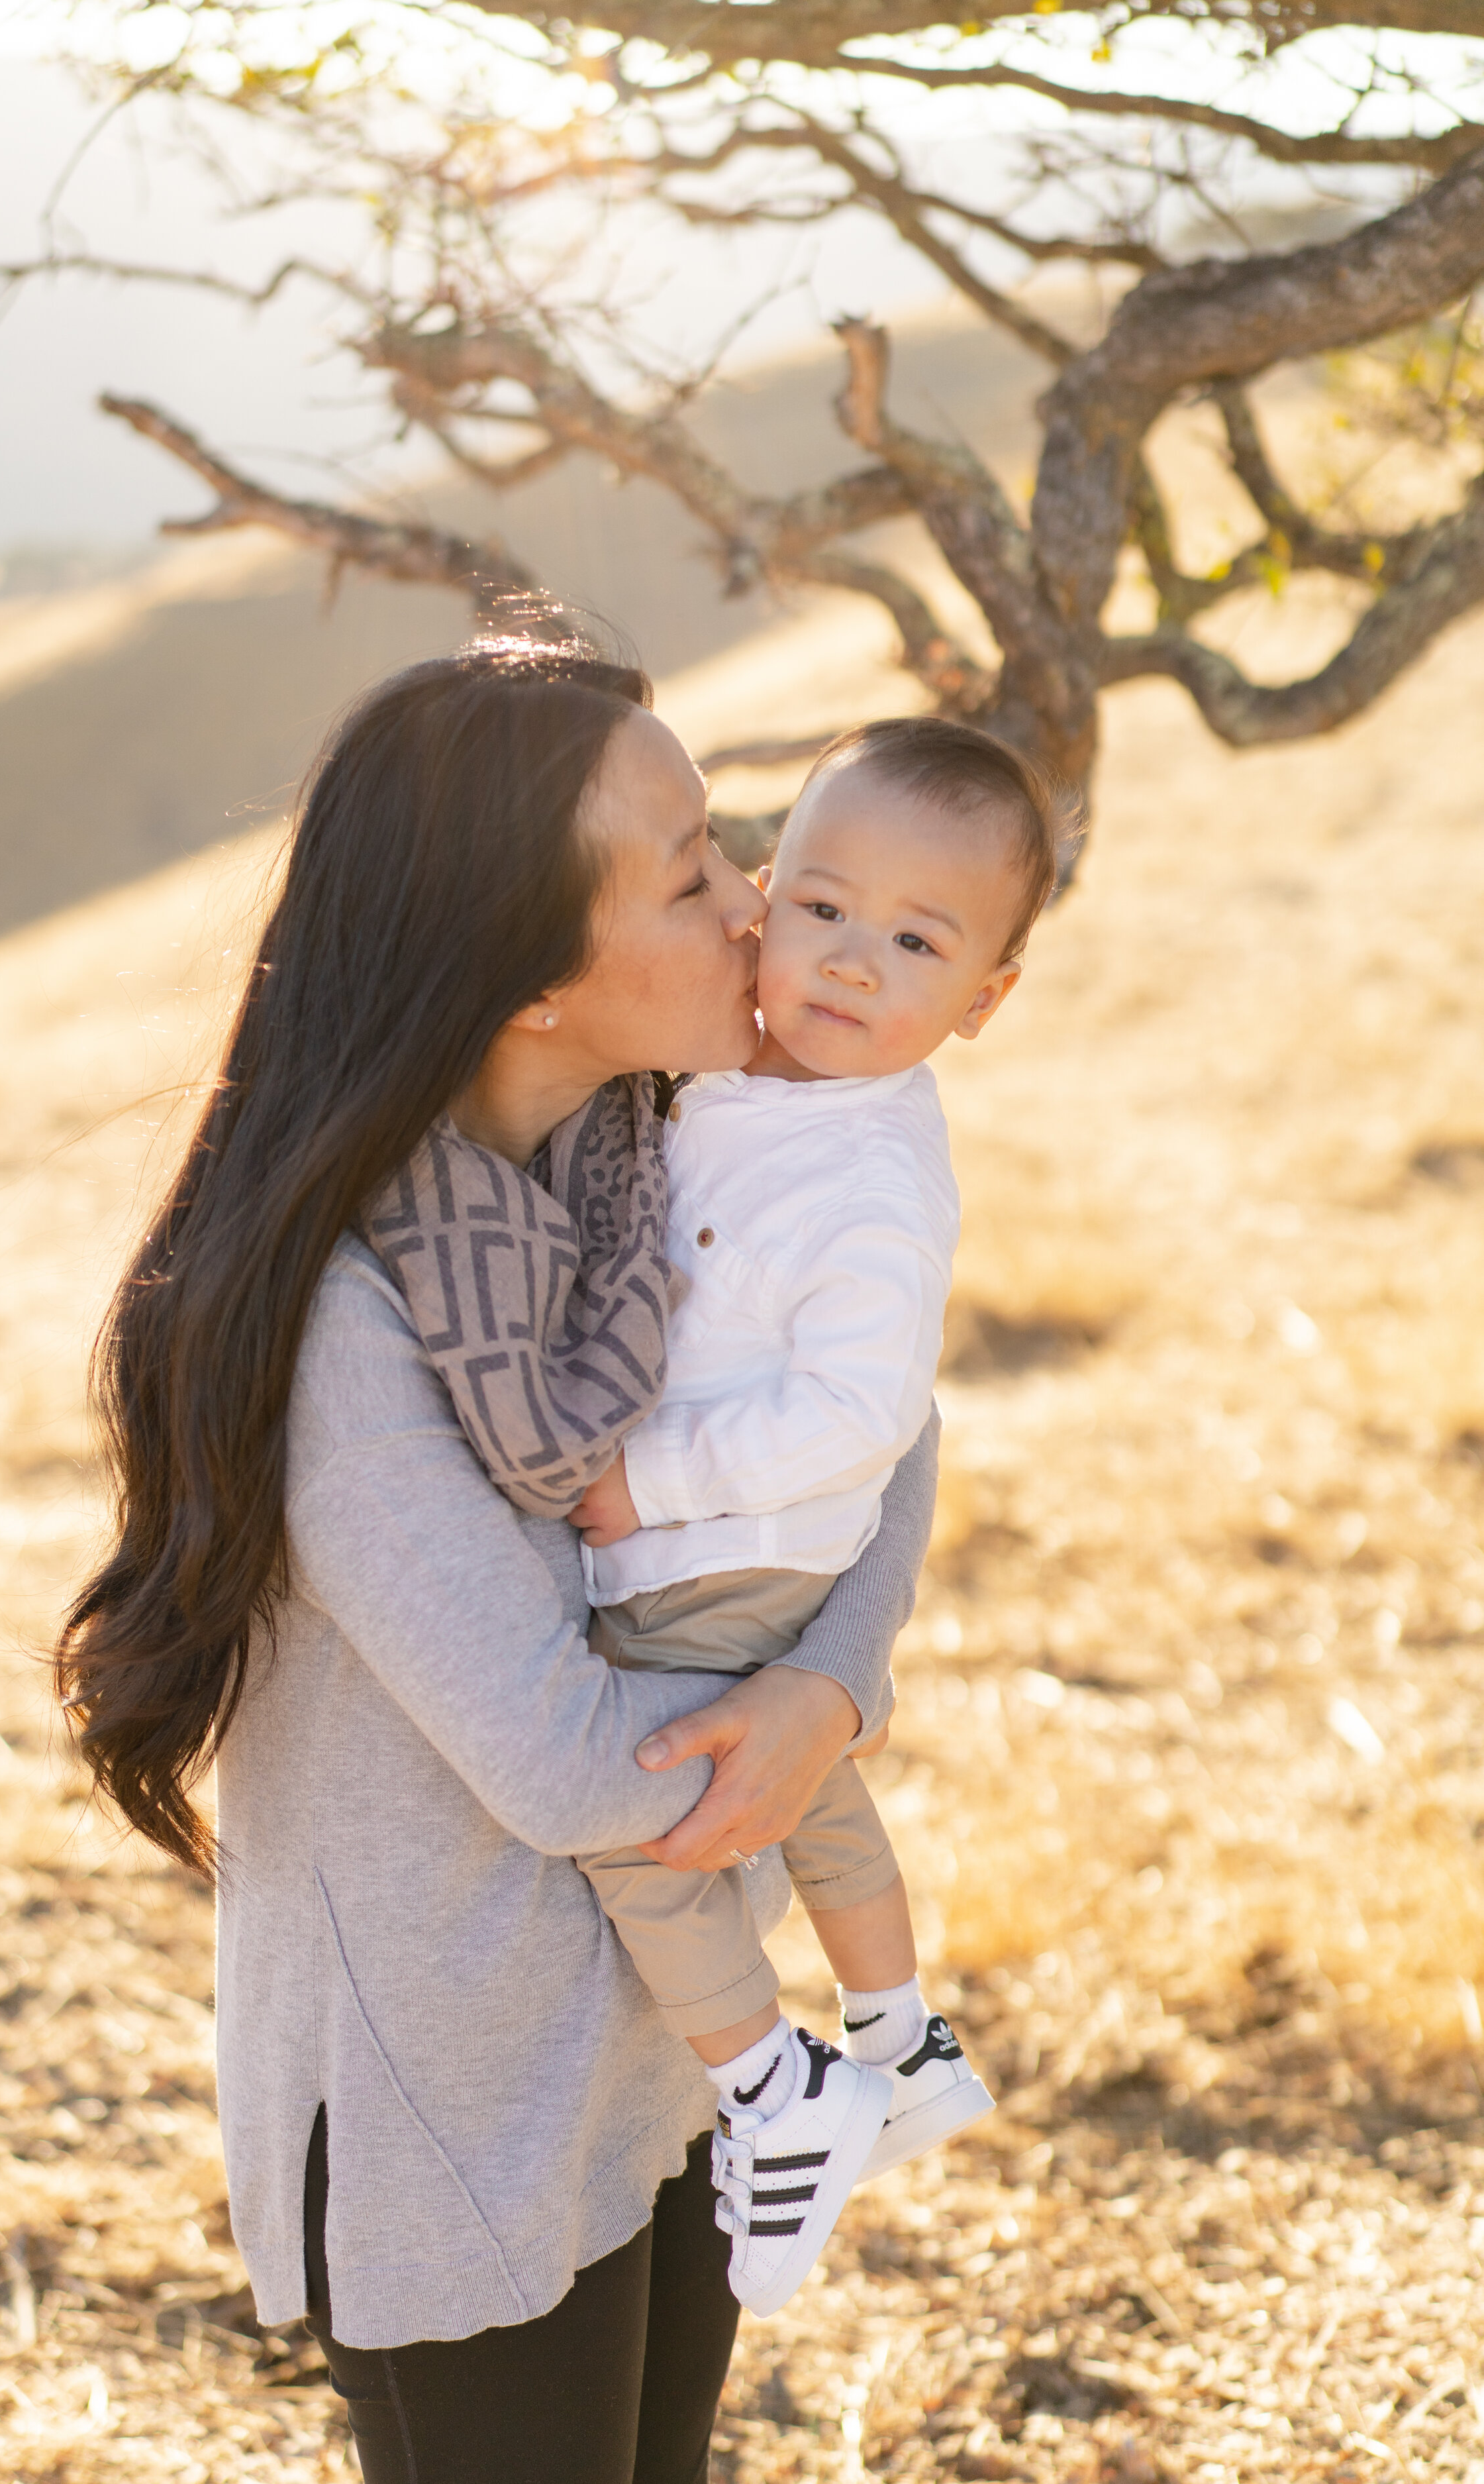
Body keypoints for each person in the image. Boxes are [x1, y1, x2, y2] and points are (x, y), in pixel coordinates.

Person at [56, 631, 942, 2484]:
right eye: (691, 869)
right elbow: (549, 1757)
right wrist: (781, 1724)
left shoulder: (653, 1160)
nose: (753, 900)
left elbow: (883, 1422)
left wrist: (827, 1683)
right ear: (535, 979)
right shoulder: (343, 1317)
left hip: (669, 2037)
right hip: (450, 2099)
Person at [557, 719, 1060, 2314]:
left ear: (979, 1004)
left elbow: (861, 1409)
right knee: (813, 1792)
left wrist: (648, 1482)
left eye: (914, 943)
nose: (852, 963)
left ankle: (778, 2093)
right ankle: (899, 2036)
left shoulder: (876, 1177)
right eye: (826, 907)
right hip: (755, 1550)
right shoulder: (750, 1073)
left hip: (725, 1542)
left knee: (637, 1815)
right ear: (763, 901)